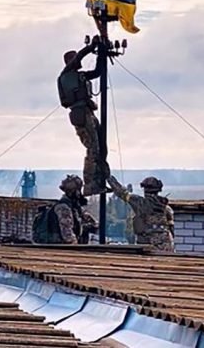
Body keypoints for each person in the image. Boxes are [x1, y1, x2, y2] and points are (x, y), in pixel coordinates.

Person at [57, 36, 109, 196]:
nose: (78, 62)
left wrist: (102, 52)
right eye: (74, 59)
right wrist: (91, 47)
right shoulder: (65, 75)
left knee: (101, 147)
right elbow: (79, 58)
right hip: (81, 114)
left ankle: (101, 180)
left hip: (88, 113)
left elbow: (98, 72)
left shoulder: (79, 76)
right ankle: (89, 185)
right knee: (92, 148)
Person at [107, 175, 174, 252]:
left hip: (146, 243)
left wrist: (109, 179)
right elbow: (171, 228)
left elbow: (122, 193)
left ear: (144, 190)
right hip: (165, 244)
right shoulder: (165, 207)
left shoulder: (140, 203)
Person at [33, 175, 88, 244]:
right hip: (58, 246)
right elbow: (67, 234)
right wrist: (75, 245)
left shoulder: (73, 207)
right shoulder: (63, 208)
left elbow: (87, 219)